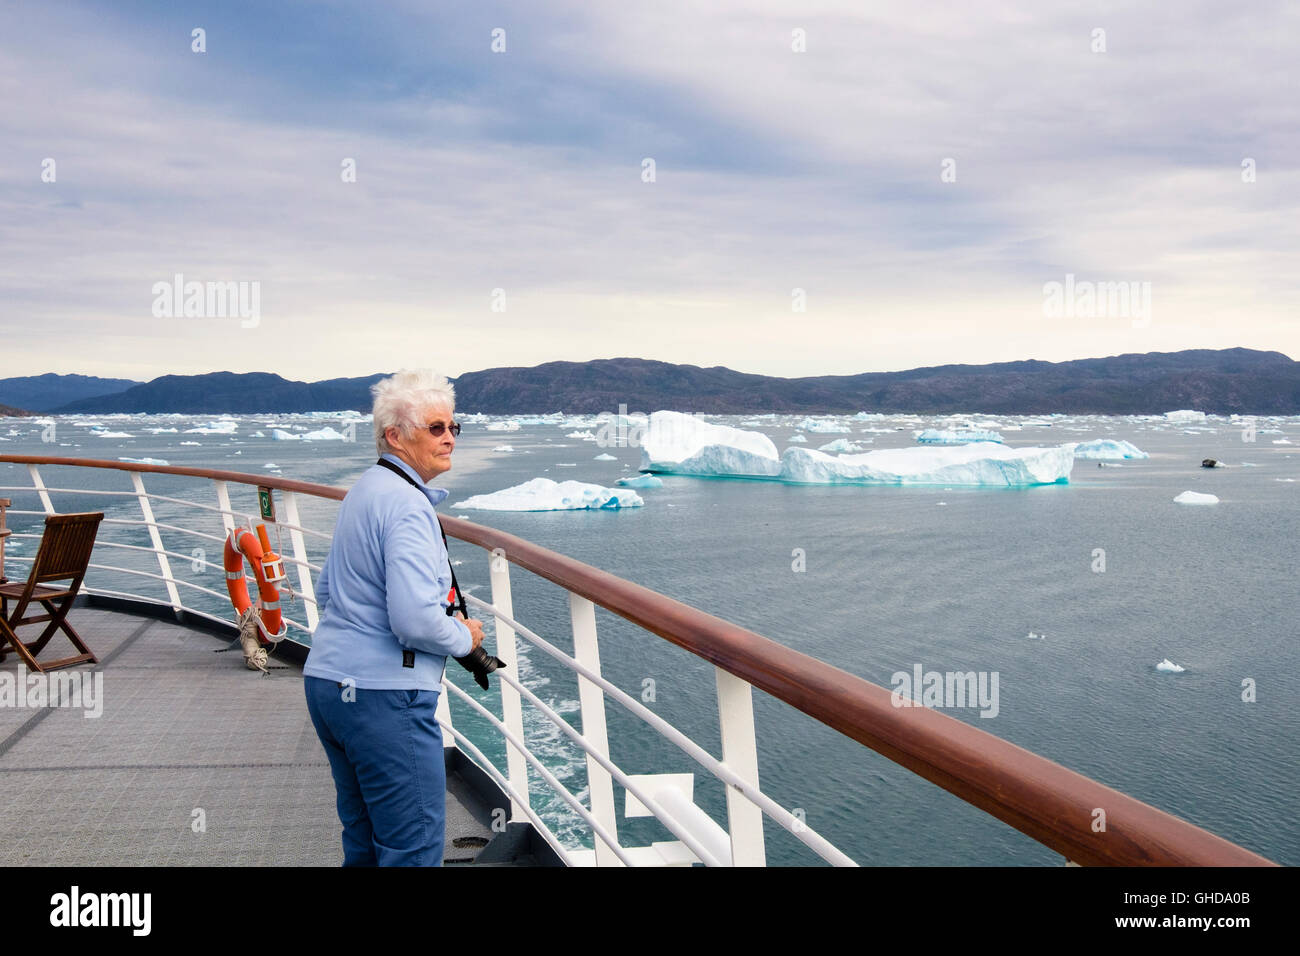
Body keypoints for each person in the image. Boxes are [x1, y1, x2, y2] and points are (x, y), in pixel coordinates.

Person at [303, 368, 485, 866]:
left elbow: (327, 589)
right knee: (413, 847)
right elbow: (414, 621)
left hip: (329, 684)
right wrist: (465, 638)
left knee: (363, 842)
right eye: (435, 428)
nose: (449, 437)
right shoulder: (407, 506)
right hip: (384, 700)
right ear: (395, 436)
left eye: (453, 427)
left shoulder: (367, 489)